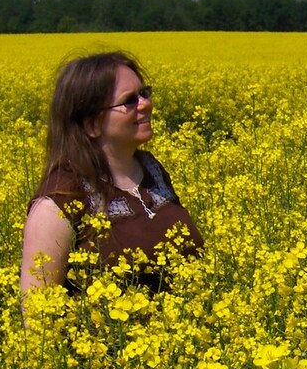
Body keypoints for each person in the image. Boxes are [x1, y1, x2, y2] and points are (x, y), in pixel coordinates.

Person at [20, 52, 203, 297]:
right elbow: (36, 318)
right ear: (91, 125)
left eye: (144, 93)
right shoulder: (59, 201)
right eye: (129, 101)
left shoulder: (152, 171)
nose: (145, 104)